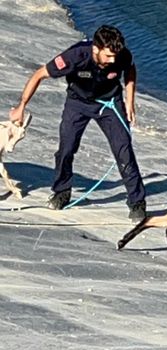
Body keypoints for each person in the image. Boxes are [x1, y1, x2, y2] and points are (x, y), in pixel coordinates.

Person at [9, 25, 147, 222]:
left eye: (115, 56)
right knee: (66, 149)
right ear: (96, 49)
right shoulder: (75, 55)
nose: (112, 60)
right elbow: (39, 74)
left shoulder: (121, 54)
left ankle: (137, 202)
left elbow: (130, 69)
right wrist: (21, 106)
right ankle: (61, 191)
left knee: (123, 151)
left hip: (109, 104)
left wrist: (129, 101)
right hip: (77, 103)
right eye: (108, 56)